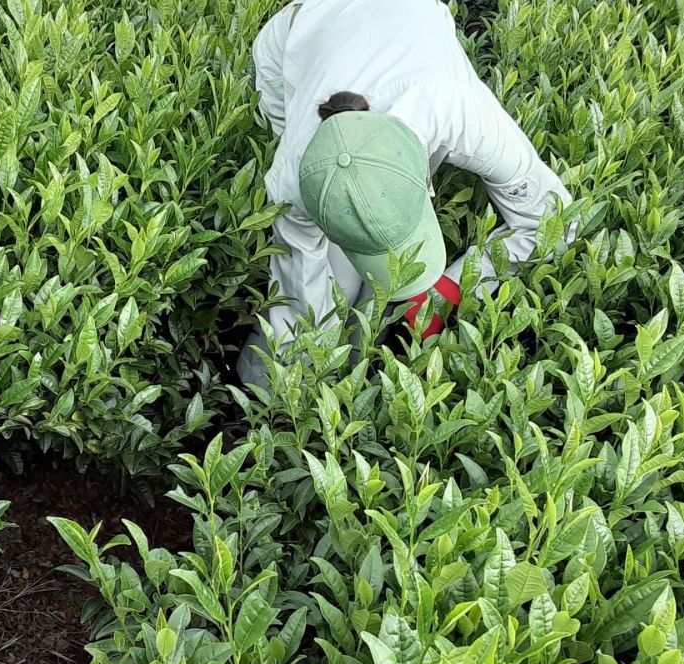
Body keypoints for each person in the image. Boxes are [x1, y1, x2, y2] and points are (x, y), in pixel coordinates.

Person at [237, 0, 576, 387]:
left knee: (361, 292)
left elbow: (554, 220)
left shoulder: (461, 114)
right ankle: (260, 390)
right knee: (326, 298)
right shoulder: (295, 175)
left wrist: (453, 285)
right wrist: (316, 370)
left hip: (409, 20)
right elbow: (300, 294)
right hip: (295, 43)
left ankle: (358, 340)